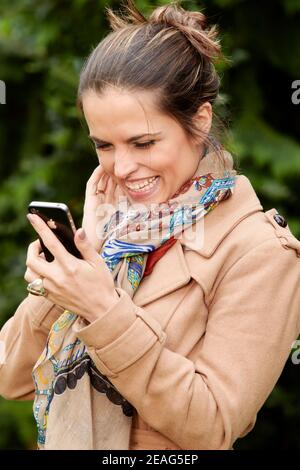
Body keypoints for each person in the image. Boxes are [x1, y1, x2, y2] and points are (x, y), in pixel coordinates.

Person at [0, 0, 299, 451]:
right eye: (104, 145)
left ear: (199, 121)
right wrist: (74, 267)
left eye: (143, 142)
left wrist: (102, 310)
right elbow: (10, 376)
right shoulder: (113, 235)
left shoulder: (259, 252)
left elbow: (214, 424)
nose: (122, 167)